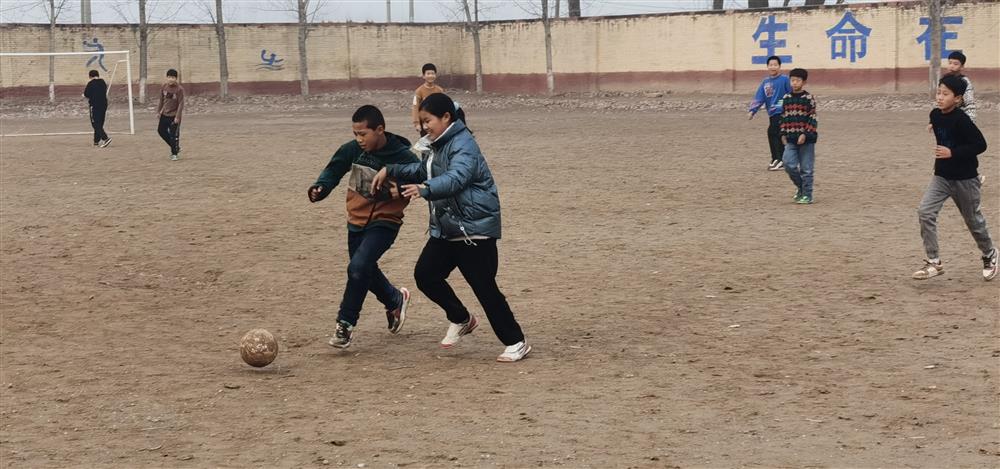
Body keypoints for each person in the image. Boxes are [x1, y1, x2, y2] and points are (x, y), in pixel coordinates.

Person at [373, 93, 531, 363]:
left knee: (483, 287)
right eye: (422, 122)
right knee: (425, 275)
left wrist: (425, 190)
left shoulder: (464, 144)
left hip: (474, 229)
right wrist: (391, 169)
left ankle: (516, 341)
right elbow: (425, 169)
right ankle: (461, 318)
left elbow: (456, 178)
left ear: (446, 117)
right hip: (448, 227)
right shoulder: (439, 145)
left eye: (428, 121)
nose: (424, 127)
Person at [308, 105, 418, 349]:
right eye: (355, 133)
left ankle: (345, 324)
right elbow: (334, 169)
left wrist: (397, 190)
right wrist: (321, 188)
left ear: (380, 130)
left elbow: (421, 179)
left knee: (358, 267)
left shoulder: (403, 156)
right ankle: (394, 299)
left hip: (385, 223)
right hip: (355, 221)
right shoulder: (353, 150)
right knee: (362, 270)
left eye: (363, 133)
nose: (359, 139)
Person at [913, 75, 997, 281]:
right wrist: (933, 126)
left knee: (973, 221)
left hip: (965, 179)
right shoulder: (935, 114)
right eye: (938, 92)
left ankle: (990, 254)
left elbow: (980, 145)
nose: (939, 97)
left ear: (957, 99)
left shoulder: (963, 120)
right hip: (941, 176)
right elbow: (941, 125)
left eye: (945, 94)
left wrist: (953, 152)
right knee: (925, 212)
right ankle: (934, 261)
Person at [779, 68, 818, 204]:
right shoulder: (786, 98)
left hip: (807, 140)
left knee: (806, 168)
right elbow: (783, 117)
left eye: (798, 80)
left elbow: (812, 118)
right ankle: (801, 186)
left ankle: (807, 195)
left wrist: (805, 134)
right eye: (792, 80)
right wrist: (783, 133)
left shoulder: (808, 98)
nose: (795, 83)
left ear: (804, 82)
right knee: (788, 164)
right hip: (790, 138)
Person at [748, 55, 792, 171]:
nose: (773, 67)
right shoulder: (765, 82)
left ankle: (782, 160)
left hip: (783, 112)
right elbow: (760, 97)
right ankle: (775, 159)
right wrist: (753, 110)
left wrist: (782, 105)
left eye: (775, 65)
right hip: (772, 113)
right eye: (771, 65)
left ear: (779, 66)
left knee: (777, 132)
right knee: (772, 133)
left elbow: (791, 94)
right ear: (767, 66)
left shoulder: (785, 79)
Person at [155, 69, 184, 161]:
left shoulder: (179, 89)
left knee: (173, 135)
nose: (171, 79)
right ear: (167, 78)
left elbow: (181, 103)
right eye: (169, 77)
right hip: (164, 114)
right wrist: (158, 111)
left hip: (174, 116)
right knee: (161, 131)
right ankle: (175, 147)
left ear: (176, 79)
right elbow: (161, 100)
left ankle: (174, 153)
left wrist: (177, 117)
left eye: (173, 77)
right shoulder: (164, 87)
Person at [411, 63, 445, 136]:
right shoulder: (419, 91)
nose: (430, 76)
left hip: (437, 122)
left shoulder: (440, 90)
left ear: (435, 75)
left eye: (432, 73)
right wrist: (416, 123)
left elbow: (444, 106)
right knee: (426, 143)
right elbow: (415, 107)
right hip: (424, 123)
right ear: (423, 76)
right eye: (428, 74)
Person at [83, 69, 110, 148]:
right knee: (100, 123)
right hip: (104, 105)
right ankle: (96, 141)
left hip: (94, 105)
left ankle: (105, 138)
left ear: (90, 76)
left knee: (95, 123)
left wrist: (85, 95)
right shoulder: (103, 82)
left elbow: (86, 94)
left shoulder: (90, 83)